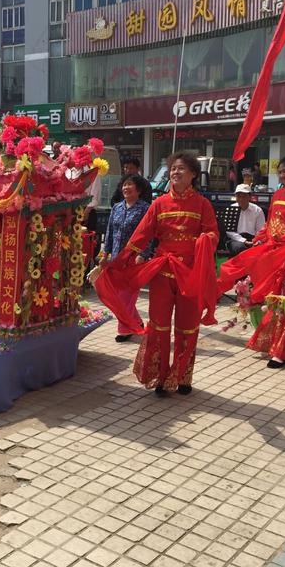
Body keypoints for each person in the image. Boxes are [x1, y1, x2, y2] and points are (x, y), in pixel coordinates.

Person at [97, 152, 219, 396]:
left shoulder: (203, 204)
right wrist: (118, 261)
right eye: (173, 168)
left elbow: (213, 234)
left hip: (190, 274)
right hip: (163, 272)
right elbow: (140, 236)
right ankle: (160, 378)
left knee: (187, 327)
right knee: (160, 326)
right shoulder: (159, 204)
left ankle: (183, 377)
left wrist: (206, 239)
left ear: (193, 174)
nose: (175, 173)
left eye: (181, 168)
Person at [218, 155, 285, 369]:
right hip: (273, 251)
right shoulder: (279, 193)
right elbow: (271, 220)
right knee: (274, 297)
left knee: (284, 299)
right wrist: (258, 238)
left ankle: (281, 352)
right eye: (280, 172)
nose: (282, 175)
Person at [100, 175, 151, 342]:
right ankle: (136, 322)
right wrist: (105, 254)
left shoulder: (145, 208)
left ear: (139, 190)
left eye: (130, 185)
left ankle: (125, 329)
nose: (125, 188)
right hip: (116, 258)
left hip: (133, 259)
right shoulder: (117, 207)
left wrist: (143, 254)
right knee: (120, 294)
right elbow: (110, 232)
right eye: (124, 185)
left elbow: (150, 234)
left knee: (125, 296)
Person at [226, 184, 265, 256]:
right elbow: (229, 232)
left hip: (253, 239)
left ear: (250, 197)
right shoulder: (231, 209)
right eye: (239, 196)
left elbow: (260, 230)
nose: (241, 199)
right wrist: (243, 241)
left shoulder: (257, 210)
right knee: (239, 247)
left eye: (244, 196)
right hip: (236, 239)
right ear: (235, 197)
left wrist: (257, 241)